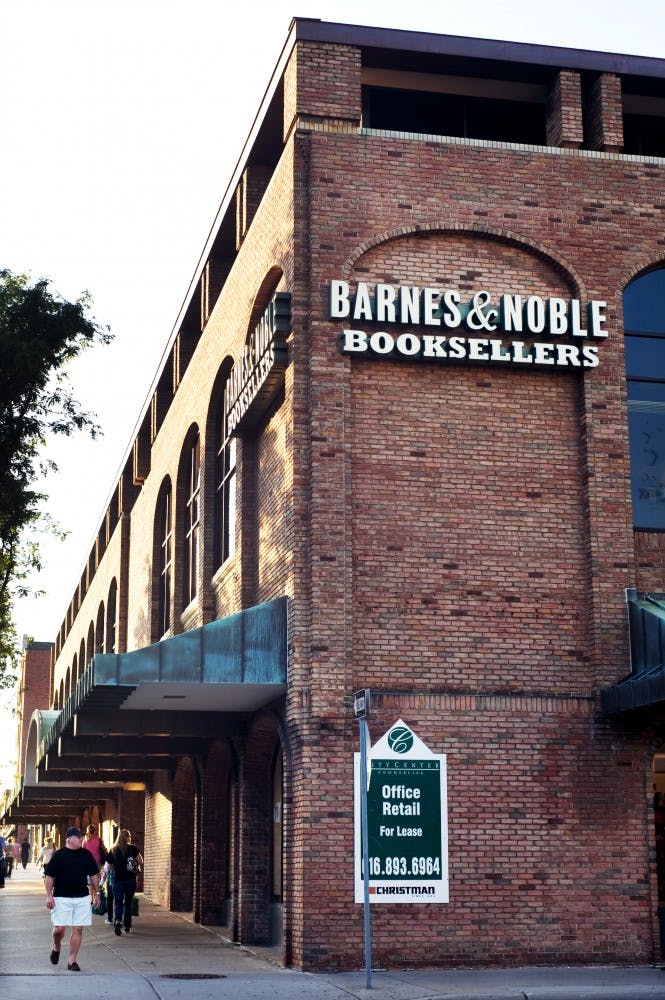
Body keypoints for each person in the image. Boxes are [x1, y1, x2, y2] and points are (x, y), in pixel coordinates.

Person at [44, 827, 101, 972]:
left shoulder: (86, 855)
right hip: (61, 898)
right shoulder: (59, 855)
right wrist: (49, 896)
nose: (82, 839)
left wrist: (98, 894)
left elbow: (94, 875)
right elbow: (49, 876)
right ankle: (56, 946)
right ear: (69, 839)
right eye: (79, 837)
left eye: (82, 836)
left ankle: (72, 961)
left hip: (82, 897)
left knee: (78, 929)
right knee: (59, 930)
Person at [106, 828, 143, 935]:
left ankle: (118, 921)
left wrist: (116, 867)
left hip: (117, 880)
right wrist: (132, 863)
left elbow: (108, 866)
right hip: (130, 880)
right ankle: (127, 926)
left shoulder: (113, 850)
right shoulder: (132, 848)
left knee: (118, 902)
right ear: (128, 838)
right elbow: (141, 861)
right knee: (128, 903)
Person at [83, 823, 107, 901]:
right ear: (95, 831)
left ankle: (92, 899)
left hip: (88, 863)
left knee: (89, 880)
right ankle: (97, 896)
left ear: (87, 831)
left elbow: (83, 851)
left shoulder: (85, 840)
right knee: (96, 878)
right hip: (98, 862)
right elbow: (104, 849)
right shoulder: (99, 839)